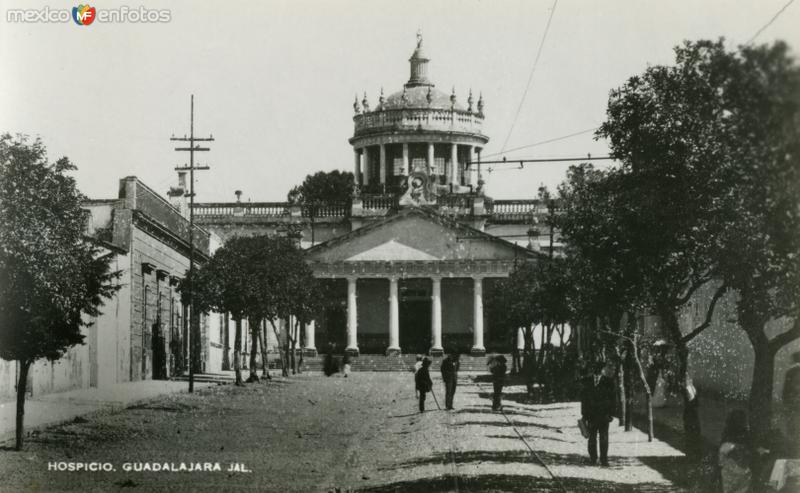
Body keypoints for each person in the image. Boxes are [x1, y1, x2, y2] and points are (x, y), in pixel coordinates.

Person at [580, 361, 616, 466]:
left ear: (602, 370)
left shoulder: (609, 382)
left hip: (604, 415)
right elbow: (584, 399)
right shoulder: (587, 381)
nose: (597, 372)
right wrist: (584, 414)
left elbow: (613, 399)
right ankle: (593, 459)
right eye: (595, 370)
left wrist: (611, 414)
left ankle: (604, 460)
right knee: (592, 437)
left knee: (604, 437)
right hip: (591, 415)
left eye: (600, 370)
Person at [719, 410, 759, 493]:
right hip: (740, 469)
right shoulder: (746, 435)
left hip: (730, 469)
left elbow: (721, 455)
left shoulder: (727, 435)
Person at [782, 352, 800, 449]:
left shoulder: (791, 371)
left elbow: (787, 389)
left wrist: (786, 401)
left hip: (792, 402)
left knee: (792, 427)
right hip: (795, 402)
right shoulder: (793, 371)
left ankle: (792, 448)